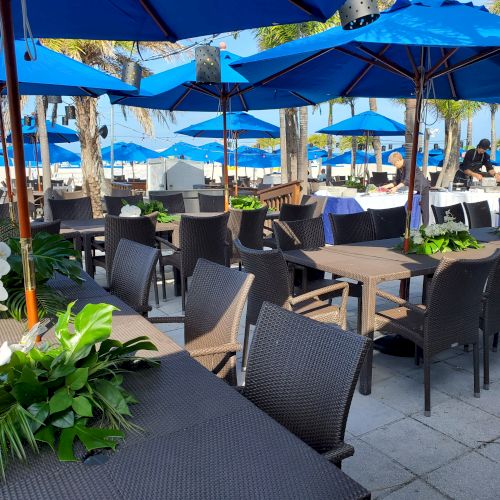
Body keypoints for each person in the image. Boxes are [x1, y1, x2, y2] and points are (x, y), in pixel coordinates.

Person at [382, 151, 430, 226]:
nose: (394, 166)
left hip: (422, 187)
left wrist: (396, 188)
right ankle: (413, 226)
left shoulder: (409, 163)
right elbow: (397, 181)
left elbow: (408, 179)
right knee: (414, 208)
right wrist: (385, 187)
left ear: (398, 160)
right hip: (414, 190)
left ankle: (425, 228)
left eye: (394, 164)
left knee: (424, 209)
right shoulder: (399, 168)